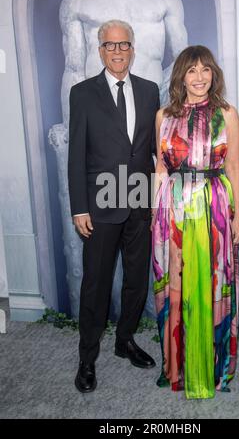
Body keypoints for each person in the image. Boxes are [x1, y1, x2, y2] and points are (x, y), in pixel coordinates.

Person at [68, 19, 160, 393]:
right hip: (101, 202)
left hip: (139, 198)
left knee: (137, 281)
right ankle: (87, 359)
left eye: (123, 45)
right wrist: (79, 207)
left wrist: (161, 198)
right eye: (110, 45)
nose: (117, 51)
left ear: (133, 48)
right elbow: (76, 155)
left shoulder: (151, 90)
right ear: (100, 49)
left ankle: (125, 341)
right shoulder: (82, 93)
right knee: (96, 284)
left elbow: (156, 150)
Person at [152, 45, 239, 399]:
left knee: (211, 284)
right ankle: (176, 366)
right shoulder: (163, 115)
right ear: (181, 76)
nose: (199, 77)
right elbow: (160, 167)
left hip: (214, 207)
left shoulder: (227, 114)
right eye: (192, 70)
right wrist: (153, 217)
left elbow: (234, 167)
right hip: (171, 210)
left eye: (206, 69)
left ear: (213, 75)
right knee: (175, 286)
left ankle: (212, 367)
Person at [60, 0, 188, 127]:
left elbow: (185, 61)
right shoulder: (76, 3)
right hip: (103, 111)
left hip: (154, 108)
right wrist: (71, 127)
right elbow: (74, 70)